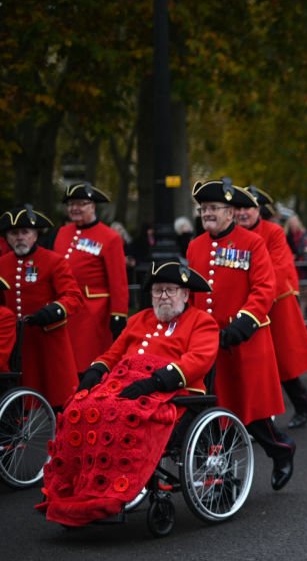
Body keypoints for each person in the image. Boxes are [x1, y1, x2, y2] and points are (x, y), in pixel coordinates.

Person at [39, 263, 220, 526]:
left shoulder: (202, 321)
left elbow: (198, 360)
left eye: (170, 290)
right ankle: (78, 491)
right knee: (78, 409)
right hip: (122, 384)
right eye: (158, 291)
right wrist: (94, 372)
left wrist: (158, 380)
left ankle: (109, 494)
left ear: (185, 294)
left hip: (171, 392)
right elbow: (113, 354)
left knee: (123, 416)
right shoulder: (138, 319)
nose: (164, 296)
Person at [186, 178, 295, 490]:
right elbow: (195, 294)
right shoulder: (195, 245)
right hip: (208, 342)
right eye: (203, 209)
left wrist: (244, 323)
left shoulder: (252, 242)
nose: (207, 213)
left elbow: (265, 288)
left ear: (230, 213)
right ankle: (221, 472)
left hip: (245, 339)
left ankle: (282, 449)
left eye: (213, 208)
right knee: (212, 406)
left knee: (252, 410)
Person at [240, 186, 307, 429]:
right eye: (239, 208)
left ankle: (302, 405)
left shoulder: (273, 232)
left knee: (283, 363)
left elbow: (279, 268)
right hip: (244, 305)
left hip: (273, 304)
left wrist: (257, 297)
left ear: (259, 210)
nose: (243, 213)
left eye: (248, 207)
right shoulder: (231, 234)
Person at [0, 206, 83, 408]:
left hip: (48, 338)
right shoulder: (2, 263)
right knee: (19, 397)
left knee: (58, 397)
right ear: (7, 238)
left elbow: (73, 296)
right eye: (13, 233)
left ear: (35, 235)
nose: (19, 237)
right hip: (16, 341)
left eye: (25, 232)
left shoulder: (54, 261)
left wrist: (54, 310)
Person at [52, 182, 129, 373]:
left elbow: (118, 281)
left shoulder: (109, 237)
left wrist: (118, 315)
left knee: (87, 362)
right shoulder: (63, 232)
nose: (74, 209)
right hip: (65, 308)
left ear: (93, 206)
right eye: (70, 205)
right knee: (64, 361)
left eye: (81, 204)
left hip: (93, 312)